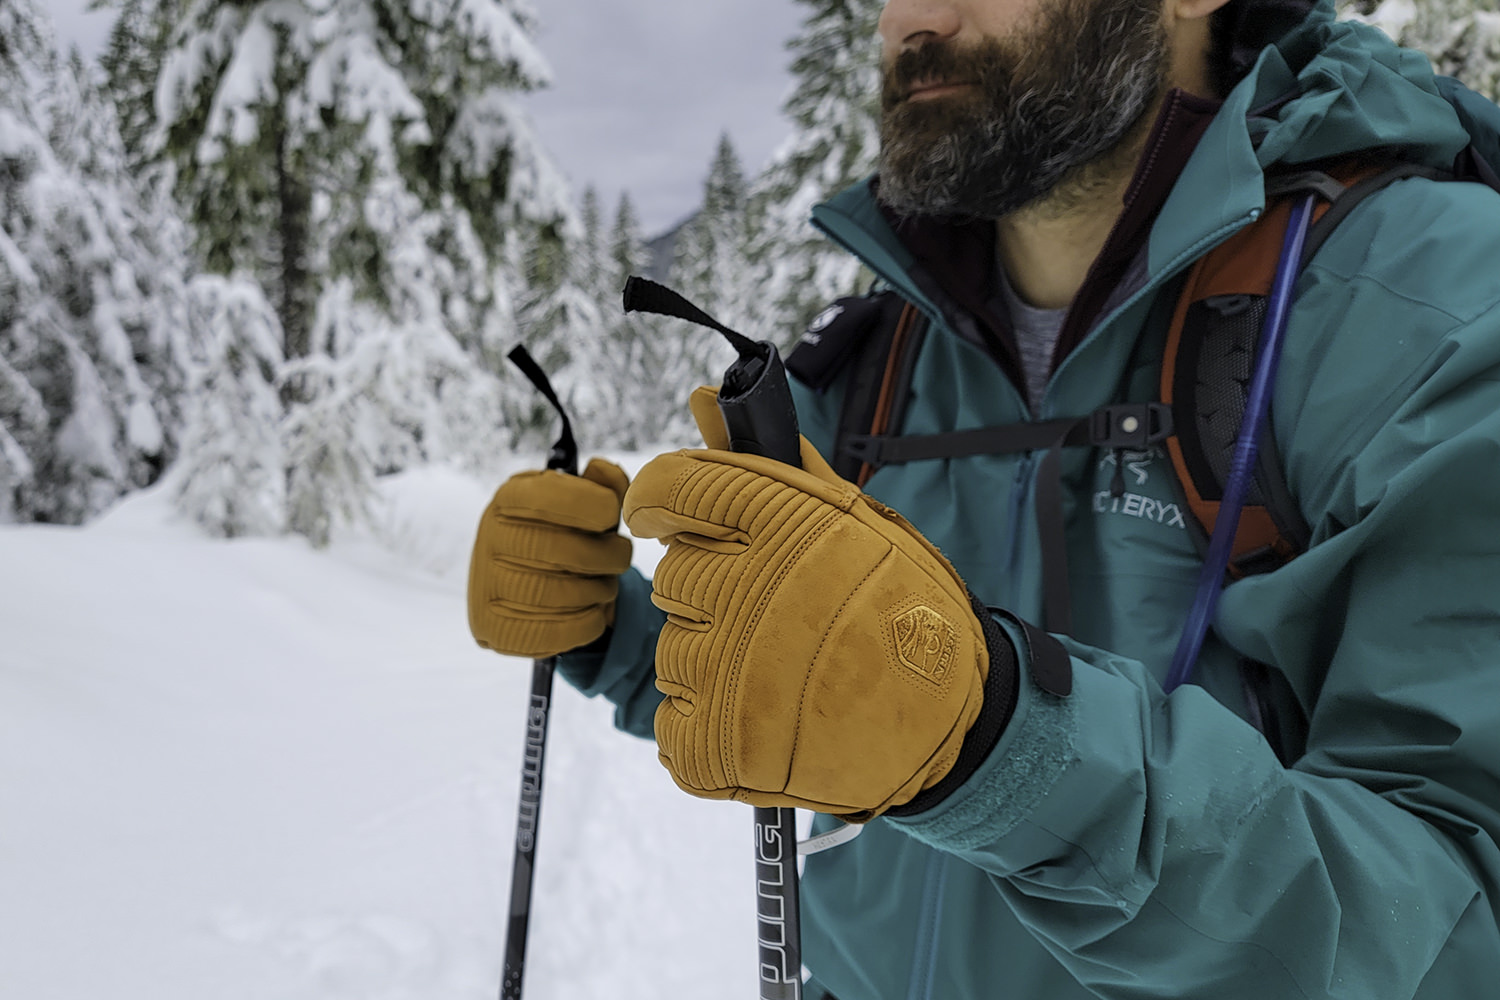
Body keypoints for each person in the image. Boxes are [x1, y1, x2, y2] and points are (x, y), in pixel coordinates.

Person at [467, 0, 1500, 994]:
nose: (905, 19)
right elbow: (817, 705)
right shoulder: (884, 354)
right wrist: (619, 632)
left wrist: (997, 744)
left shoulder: (1429, 307)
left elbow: (1455, 923)